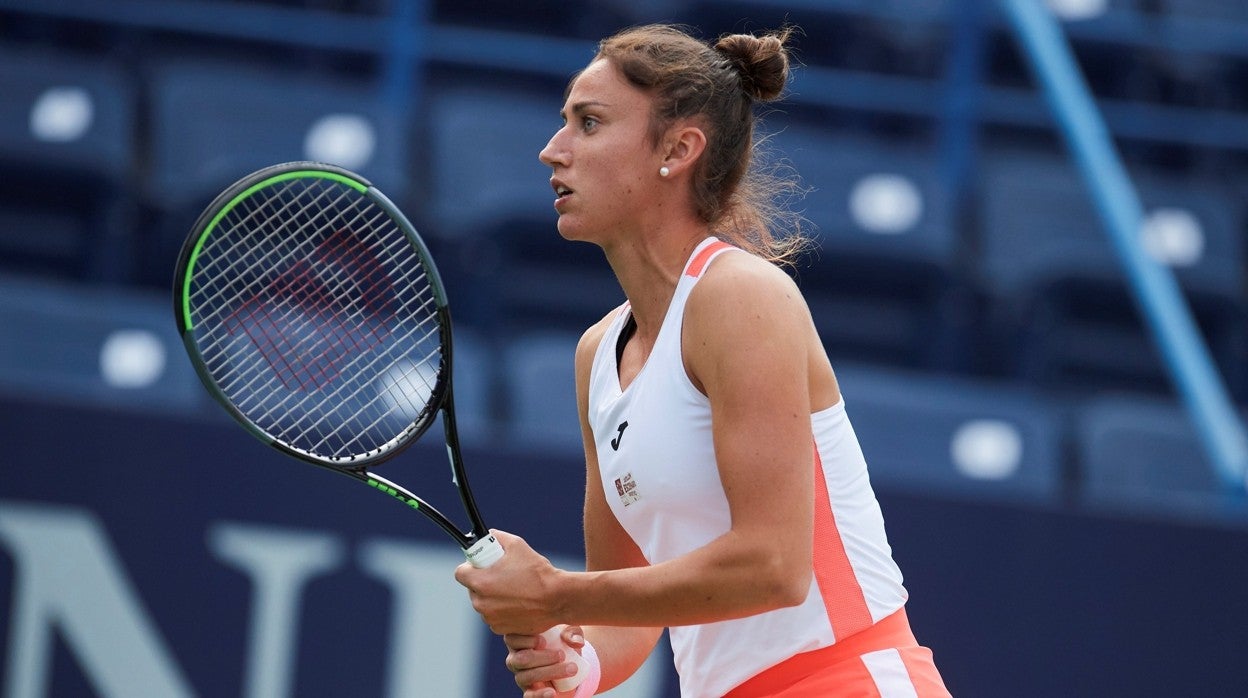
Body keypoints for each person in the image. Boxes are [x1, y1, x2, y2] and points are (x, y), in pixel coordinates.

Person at [455, 23, 951, 698]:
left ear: (679, 148)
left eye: (589, 123)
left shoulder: (742, 296)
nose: (552, 151)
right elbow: (626, 613)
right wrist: (580, 665)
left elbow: (774, 566)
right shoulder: (597, 355)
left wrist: (554, 594)